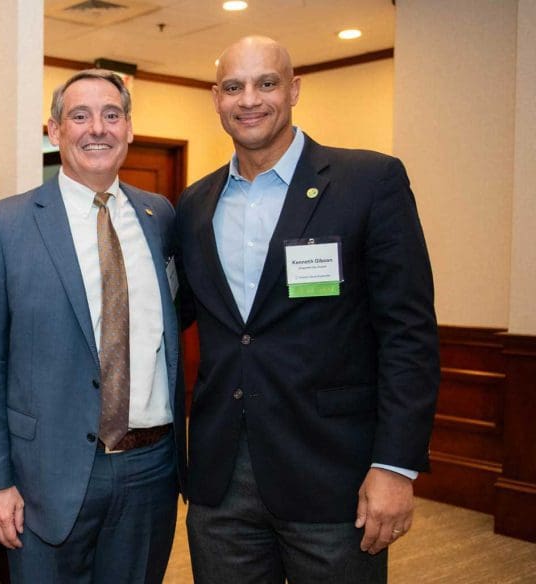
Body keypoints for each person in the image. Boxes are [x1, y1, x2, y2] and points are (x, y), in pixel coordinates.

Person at [176, 36, 440, 583]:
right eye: (233, 87)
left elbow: (408, 335)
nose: (249, 99)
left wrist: (394, 466)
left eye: (266, 83)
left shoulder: (369, 182)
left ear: (294, 89)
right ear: (215, 98)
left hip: (334, 474)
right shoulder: (194, 205)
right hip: (221, 481)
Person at [0, 69, 186, 582]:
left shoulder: (160, 216)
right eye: (79, 116)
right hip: (44, 476)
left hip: (150, 469)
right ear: (55, 130)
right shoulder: (3, 225)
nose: (97, 128)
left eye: (111, 115)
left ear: (129, 128)